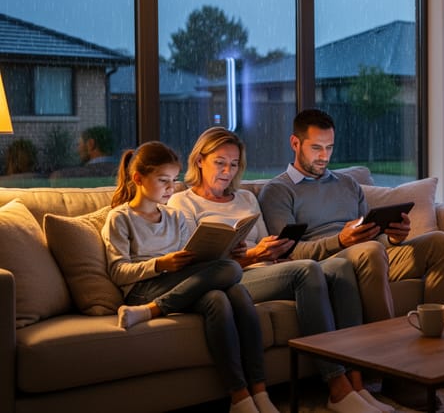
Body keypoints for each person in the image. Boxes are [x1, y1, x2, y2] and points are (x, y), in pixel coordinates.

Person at [257, 108, 444, 410]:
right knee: (371, 251)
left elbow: (372, 234)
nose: (324, 156)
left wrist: (394, 236)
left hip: (370, 251)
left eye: (330, 147)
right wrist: (340, 240)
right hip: (327, 265)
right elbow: (288, 254)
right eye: (316, 147)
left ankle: (438, 362)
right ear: (295, 144)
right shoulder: (278, 191)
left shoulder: (347, 184)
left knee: (443, 242)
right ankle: (396, 373)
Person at [169, 127, 392, 413]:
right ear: (200, 160)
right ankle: (336, 388)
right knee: (308, 270)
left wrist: (272, 250)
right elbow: (195, 263)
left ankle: (357, 384)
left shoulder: (246, 199)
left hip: (265, 269)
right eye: (220, 162)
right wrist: (251, 255)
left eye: (234, 164)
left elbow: (266, 243)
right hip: (230, 279)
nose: (227, 171)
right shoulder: (182, 202)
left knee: (340, 266)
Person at [101, 141, 279, 413]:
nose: (171, 189)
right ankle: (148, 309)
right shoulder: (121, 218)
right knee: (231, 270)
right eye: (163, 181)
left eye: (173, 180)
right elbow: (117, 272)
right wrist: (160, 264)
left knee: (226, 295)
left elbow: (193, 258)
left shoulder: (174, 216)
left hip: (180, 283)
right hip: (141, 289)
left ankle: (249, 394)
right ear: (138, 178)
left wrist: (218, 250)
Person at [50, 125, 118, 179]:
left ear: (90, 144)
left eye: (79, 144)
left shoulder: (63, 177)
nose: (78, 150)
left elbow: (57, 177)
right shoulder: (122, 174)